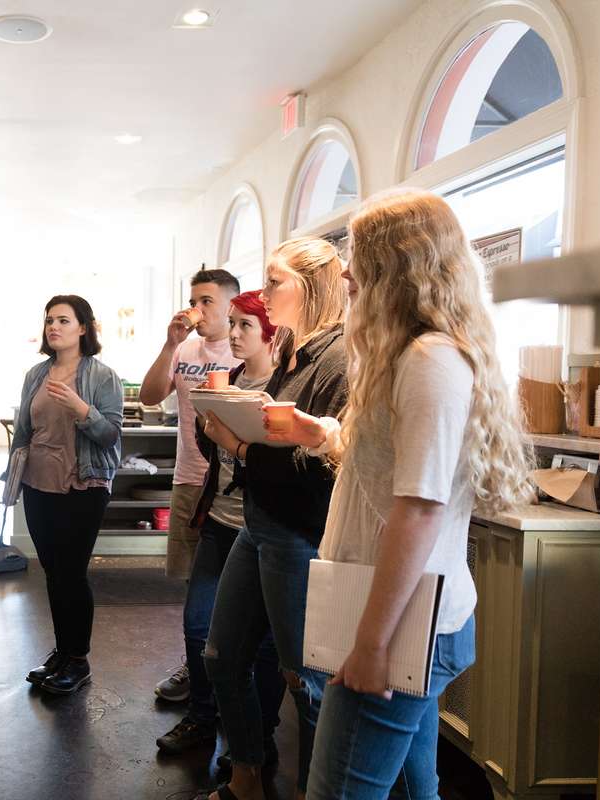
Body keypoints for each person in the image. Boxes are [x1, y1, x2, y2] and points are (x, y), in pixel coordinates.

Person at [284, 191, 532, 799]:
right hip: (403, 616)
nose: (344, 273)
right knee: (416, 790)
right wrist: (323, 434)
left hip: (403, 627)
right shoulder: (412, 355)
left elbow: (420, 509)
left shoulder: (431, 360)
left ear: (395, 265)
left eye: (357, 260)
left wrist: (372, 645)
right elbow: (393, 468)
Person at [198, 238, 349, 800]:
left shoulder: (338, 357)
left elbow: (323, 465)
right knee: (221, 655)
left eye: (275, 281)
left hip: (294, 534)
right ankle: (247, 775)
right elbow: (281, 435)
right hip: (258, 524)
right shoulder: (294, 352)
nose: (265, 292)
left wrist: (240, 450)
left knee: (304, 682)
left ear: (311, 286)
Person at [156, 290, 287, 767]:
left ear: (270, 334)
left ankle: (259, 735)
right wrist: (210, 421)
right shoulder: (226, 377)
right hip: (220, 519)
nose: (232, 334)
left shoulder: (286, 388)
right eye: (231, 324)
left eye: (244, 326)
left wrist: (233, 435)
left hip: (264, 527)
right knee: (198, 625)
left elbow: (282, 465)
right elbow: (208, 446)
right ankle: (203, 715)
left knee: (267, 644)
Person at [10, 295, 123, 695]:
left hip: (83, 486)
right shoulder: (36, 375)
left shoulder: (102, 376)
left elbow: (110, 435)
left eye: (63, 320)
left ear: (84, 328)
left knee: (73, 573)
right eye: (49, 321)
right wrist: (12, 479)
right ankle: (62, 651)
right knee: (54, 572)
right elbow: (23, 432)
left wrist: (81, 408)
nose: (53, 327)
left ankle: (79, 660)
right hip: (38, 486)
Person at [139, 268, 242, 702]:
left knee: (234, 587)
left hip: (234, 486)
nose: (197, 309)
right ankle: (196, 668)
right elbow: (149, 396)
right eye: (193, 300)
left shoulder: (245, 350)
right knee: (193, 582)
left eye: (207, 302)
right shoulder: (184, 349)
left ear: (230, 307)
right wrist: (170, 344)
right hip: (189, 479)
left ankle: (227, 669)